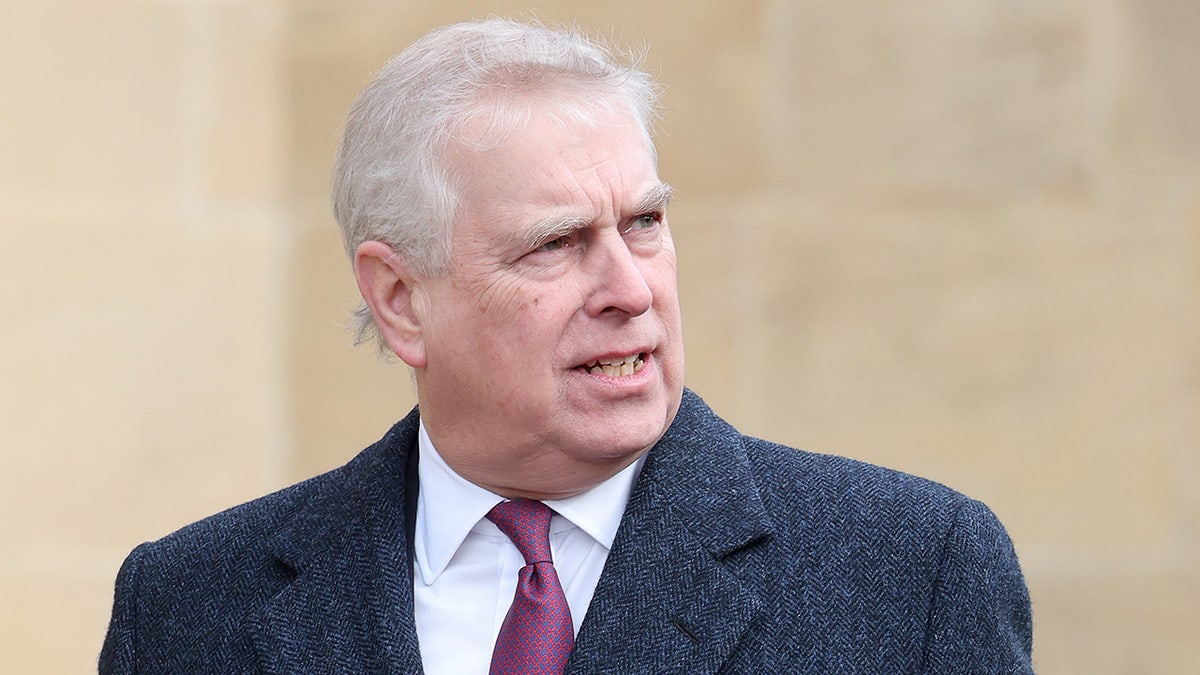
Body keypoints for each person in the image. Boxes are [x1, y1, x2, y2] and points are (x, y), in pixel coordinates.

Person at [100, 18, 1033, 674]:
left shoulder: (912, 571)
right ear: (400, 299)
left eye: (645, 223)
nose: (631, 289)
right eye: (557, 243)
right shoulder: (185, 603)